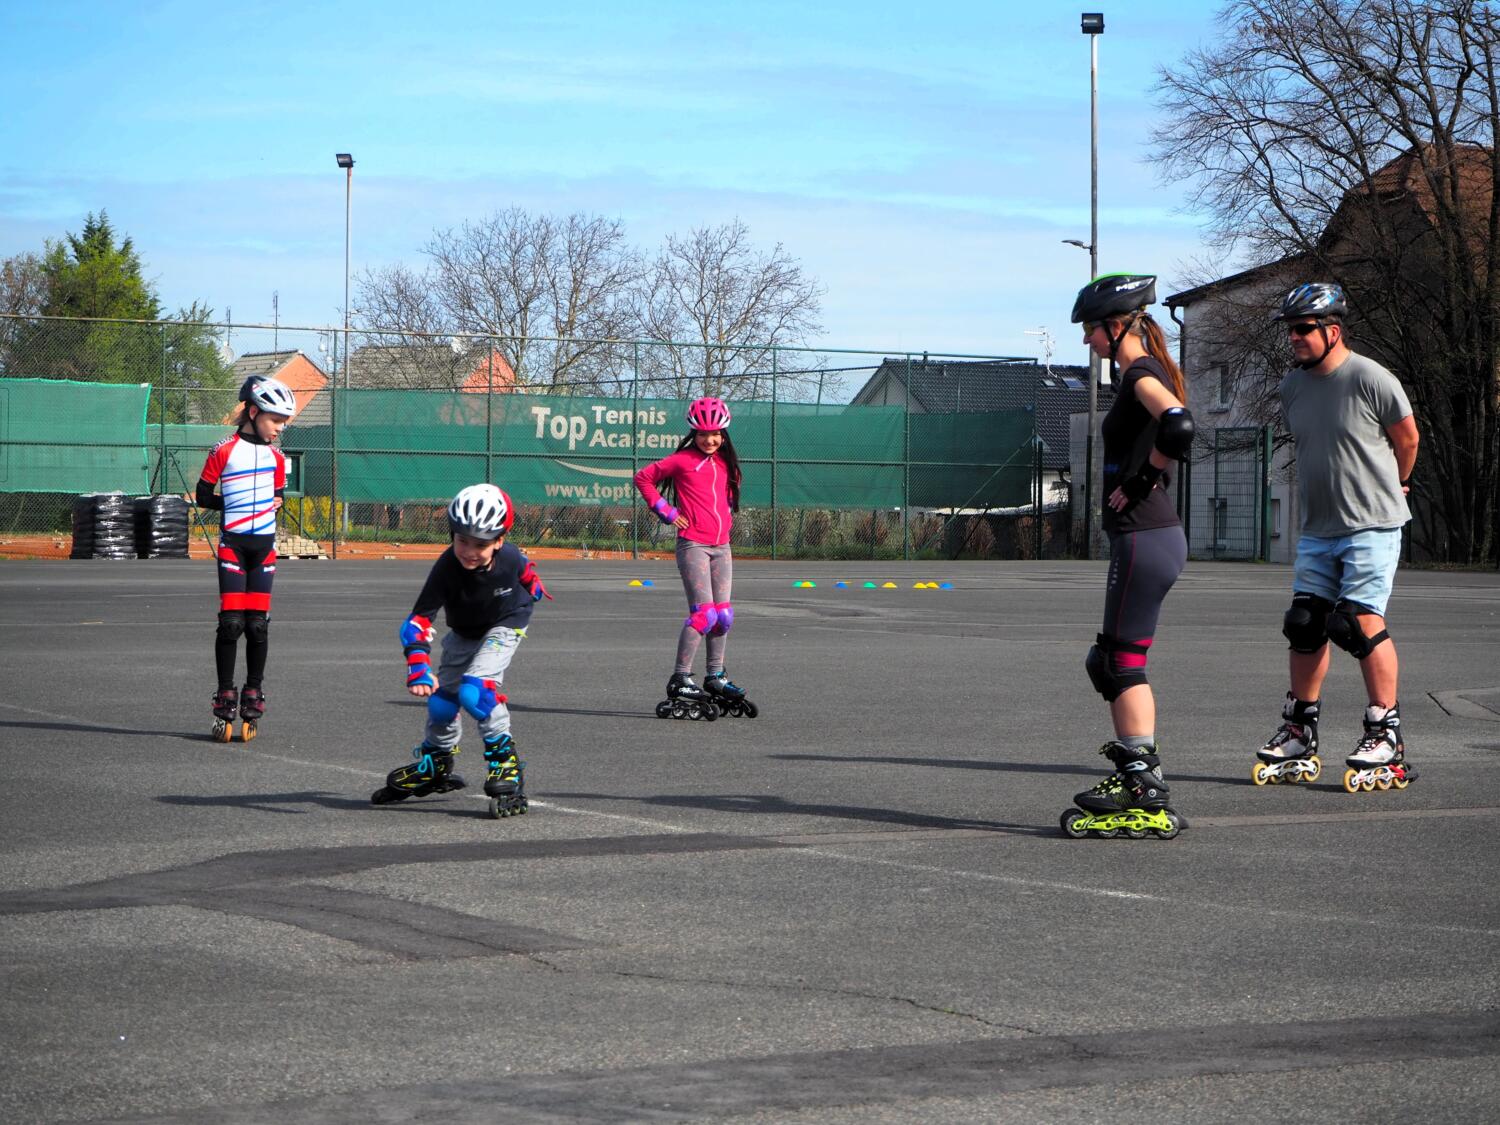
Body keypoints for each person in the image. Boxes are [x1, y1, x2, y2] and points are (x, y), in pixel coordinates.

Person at [1254, 283, 1421, 793]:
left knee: (1357, 624)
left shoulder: (1371, 378)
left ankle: (1385, 732)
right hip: (1318, 528)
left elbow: (1408, 438)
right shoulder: (1292, 387)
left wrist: (1398, 483)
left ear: (1333, 330)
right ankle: (1299, 730)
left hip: (1372, 523)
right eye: (1290, 330)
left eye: (1303, 328)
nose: (1294, 337)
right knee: (1305, 623)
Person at [1061, 274, 1194, 839]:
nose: (1087, 340)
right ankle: (1140, 773)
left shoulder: (1141, 373)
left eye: (1091, 329)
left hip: (1146, 536)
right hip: (1145, 539)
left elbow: (1179, 425)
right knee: (1112, 659)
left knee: (1120, 662)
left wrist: (1142, 481)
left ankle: (1144, 786)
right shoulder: (1140, 373)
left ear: (1117, 326)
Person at [372, 483, 550, 817]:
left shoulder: (510, 556)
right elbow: (417, 621)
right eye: (462, 540)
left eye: (481, 544)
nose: (469, 551)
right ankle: (437, 761)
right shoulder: (446, 568)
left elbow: (524, 570)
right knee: (442, 703)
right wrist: (418, 666)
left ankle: (506, 764)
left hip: (507, 622)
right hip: (465, 631)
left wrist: (533, 585)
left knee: (475, 691)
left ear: (499, 541)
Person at [633, 397, 756, 720]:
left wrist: (725, 520)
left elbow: (724, 497)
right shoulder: (683, 460)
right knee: (703, 615)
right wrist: (667, 511)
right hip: (693, 546)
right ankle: (680, 679)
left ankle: (715, 676)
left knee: (723, 616)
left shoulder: (726, 464)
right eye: (703, 434)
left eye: (715, 433)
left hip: (722, 547)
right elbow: (643, 478)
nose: (709, 439)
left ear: (723, 434)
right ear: (693, 433)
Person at [194, 375, 296, 742]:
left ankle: (254, 690)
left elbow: (278, 497)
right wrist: (233, 504)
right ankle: (225, 694)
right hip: (233, 546)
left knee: (257, 625)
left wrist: (275, 503)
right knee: (231, 624)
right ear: (253, 412)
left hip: (264, 547)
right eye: (275, 420)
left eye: (283, 422)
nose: (279, 428)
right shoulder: (223, 450)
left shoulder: (278, 458)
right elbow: (203, 495)